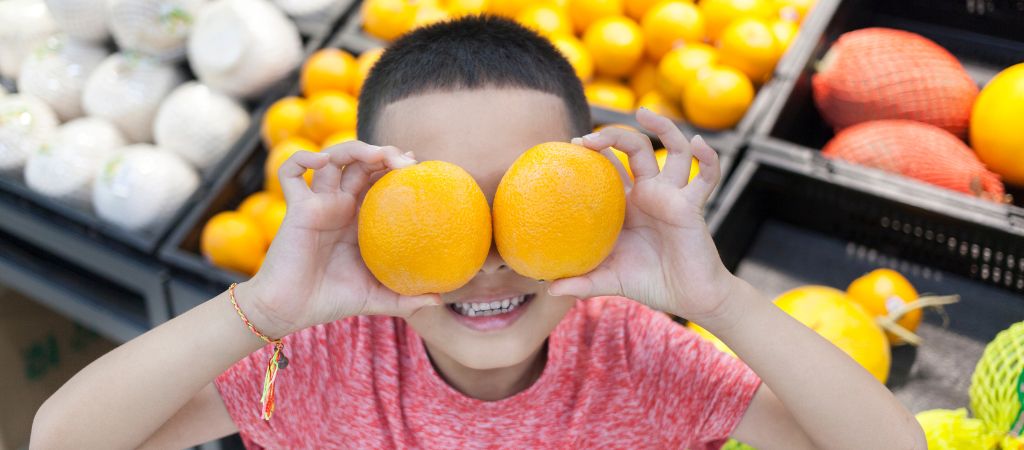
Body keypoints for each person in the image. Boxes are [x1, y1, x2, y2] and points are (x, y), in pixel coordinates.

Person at [31, 16, 924, 449]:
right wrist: (265, 303)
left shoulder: (644, 360)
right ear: (375, 210)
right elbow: (65, 441)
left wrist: (715, 298)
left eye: (525, 201)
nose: (491, 256)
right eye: (443, 209)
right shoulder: (320, 362)